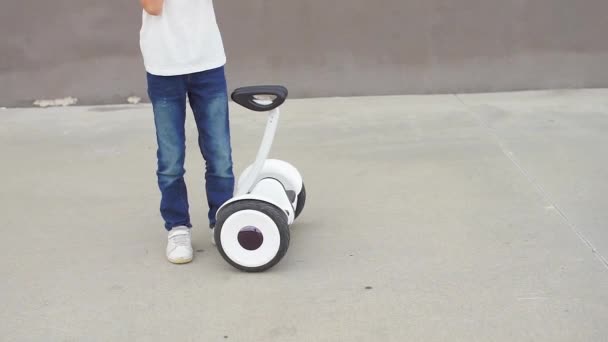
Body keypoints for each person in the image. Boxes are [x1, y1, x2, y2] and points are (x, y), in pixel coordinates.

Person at [139, 0, 235, 264]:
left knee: (220, 155)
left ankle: (222, 220)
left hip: (208, 61)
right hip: (164, 66)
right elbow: (153, 7)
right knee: (171, 159)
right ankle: (177, 227)